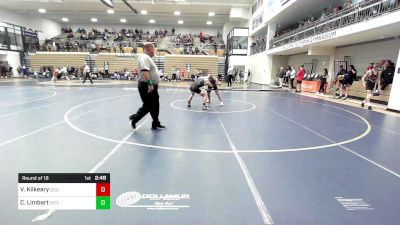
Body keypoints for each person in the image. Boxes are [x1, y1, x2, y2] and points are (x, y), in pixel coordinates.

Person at [129, 43, 165, 130]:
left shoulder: (148, 58)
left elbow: (149, 71)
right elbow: (144, 71)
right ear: (149, 49)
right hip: (146, 86)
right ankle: (134, 118)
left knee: (155, 105)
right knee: (148, 105)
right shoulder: (144, 57)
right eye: (154, 49)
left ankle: (155, 122)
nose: (155, 51)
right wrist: (149, 84)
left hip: (152, 86)